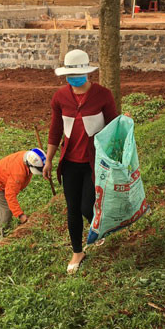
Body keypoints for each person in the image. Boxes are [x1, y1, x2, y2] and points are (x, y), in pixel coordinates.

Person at [43, 50, 118, 274]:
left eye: (78, 75)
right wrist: (48, 160)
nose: (74, 80)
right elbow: (55, 130)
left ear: (87, 73)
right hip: (70, 163)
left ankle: (98, 225)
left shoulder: (103, 95)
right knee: (72, 208)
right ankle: (77, 251)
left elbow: (114, 127)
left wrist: (116, 158)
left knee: (87, 205)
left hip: (94, 161)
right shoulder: (60, 97)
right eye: (70, 76)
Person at [0, 148, 46, 239]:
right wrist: (20, 215)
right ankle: (4, 238)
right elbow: (10, 195)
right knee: (5, 211)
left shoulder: (28, 157)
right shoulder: (18, 174)